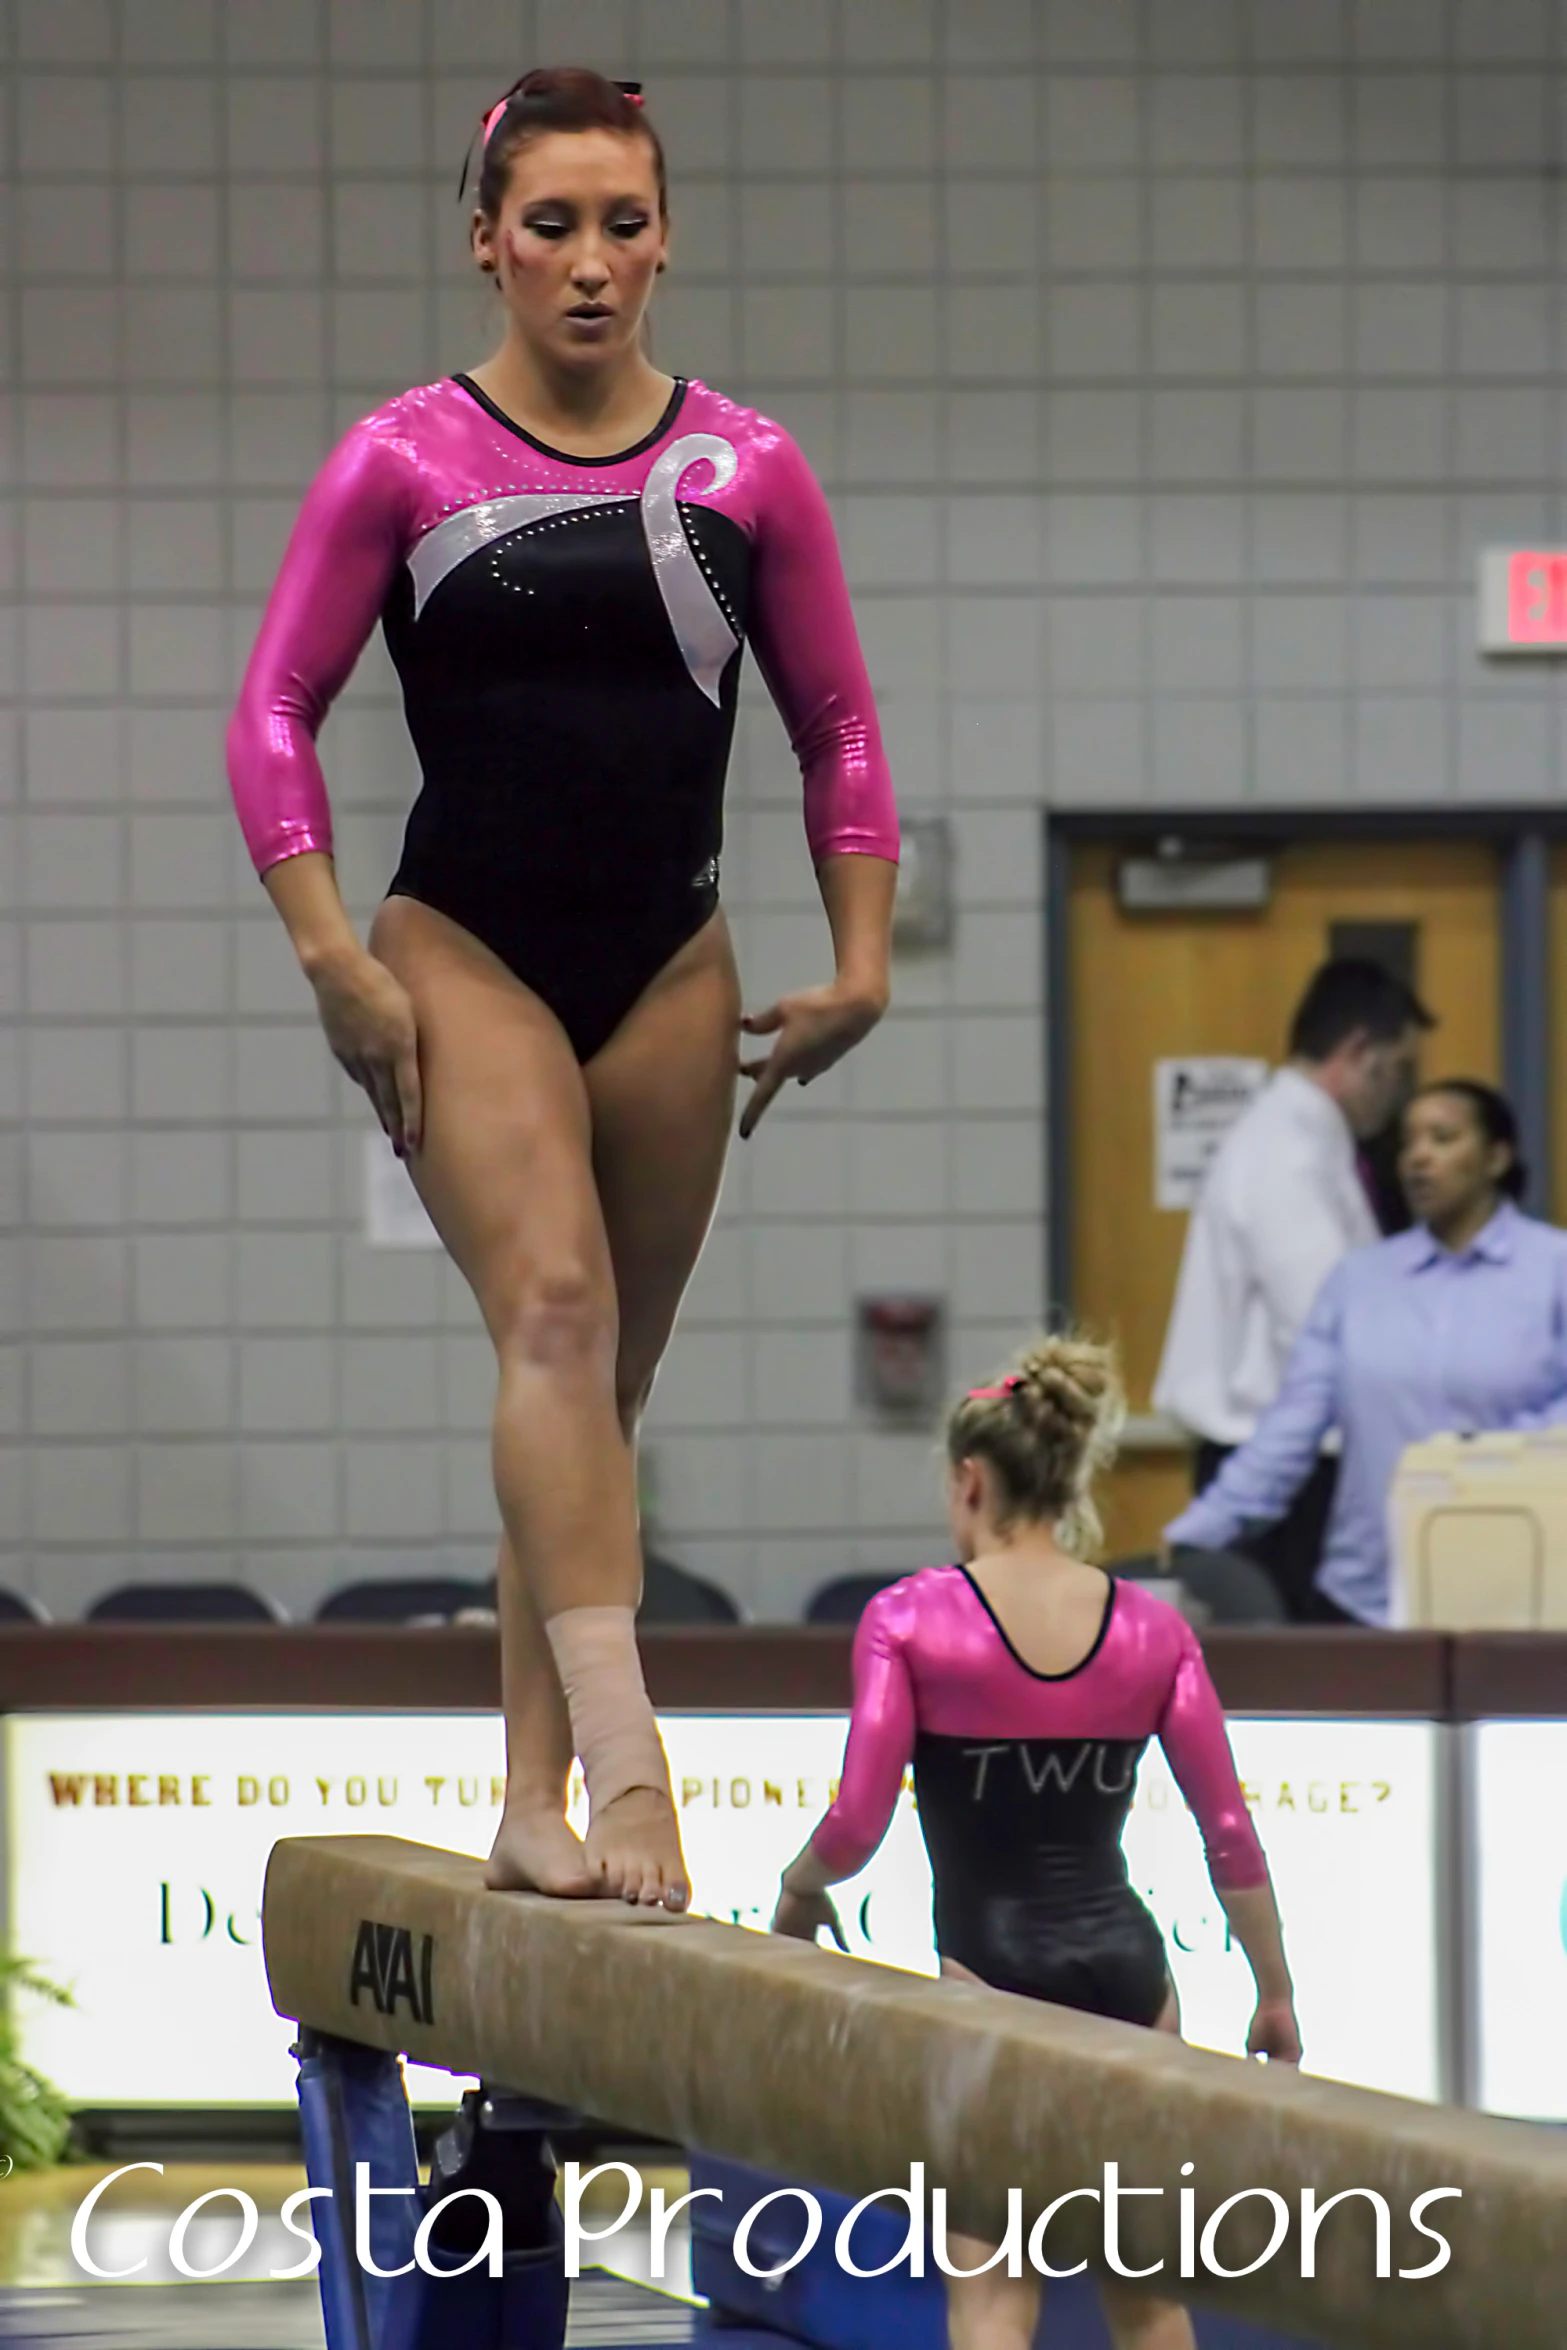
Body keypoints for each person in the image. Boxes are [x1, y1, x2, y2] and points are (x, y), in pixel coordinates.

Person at [226, 69, 899, 1913]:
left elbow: (833, 723)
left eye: (623, 225)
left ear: (664, 235)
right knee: (552, 1313)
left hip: (671, 956)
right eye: (550, 228)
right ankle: (626, 1771)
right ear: (487, 245)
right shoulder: (405, 458)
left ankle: (527, 1796)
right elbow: (274, 708)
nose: (590, 266)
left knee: (600, 1396)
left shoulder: (746, 469)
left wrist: (857, 964)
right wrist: (332, 958)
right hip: (462, 947)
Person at [772, 1338, 1299, 2350]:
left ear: (971, 1479)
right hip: (1131, 1979)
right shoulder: (1152, 1628)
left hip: (989, 1981)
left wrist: (796, 1895)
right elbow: (1226, 1829)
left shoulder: (912, 1619)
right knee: (1145, 2298)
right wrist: (1272, 1990)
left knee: (992, 2298)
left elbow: (856, 1819)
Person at [1165, 1081, 1567, 1627]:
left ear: (1496, 1157)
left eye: (1443, 1138)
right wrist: (1196, 1532)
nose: (1419, 1157)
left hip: (1517, 1592)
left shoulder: (1551, 1270)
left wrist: (1481, 1457)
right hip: (1366, 1594)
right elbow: (1290, 1429)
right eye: (1409, 1142)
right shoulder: (1360, 1281)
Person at [1153, 959, 1433, 1620]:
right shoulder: (1284, 1153)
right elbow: (1323, 1326)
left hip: (1294, 1463)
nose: (1397, 1097)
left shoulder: (1308, 1145)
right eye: (1396, 1072)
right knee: (1307, 1684)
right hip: (1278, 1475)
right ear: (1358, 1053)